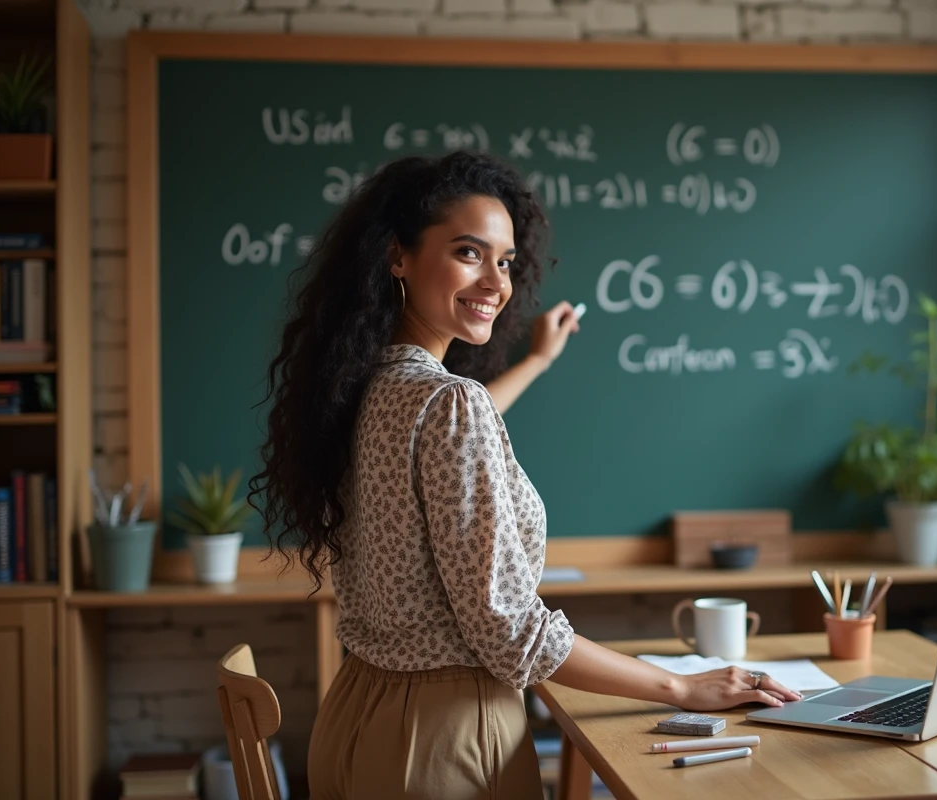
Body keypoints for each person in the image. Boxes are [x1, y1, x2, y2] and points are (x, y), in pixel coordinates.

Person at [250, 151, 801, 800]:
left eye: (506, 261)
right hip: (445, 745)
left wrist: (537, 360)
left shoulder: (368, 390)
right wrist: (682, 687)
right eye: (468, 253)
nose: (496, 281)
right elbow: (510, 629)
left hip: (355, 723)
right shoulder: (449, 406)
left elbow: (451, 443)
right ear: (397, 256)